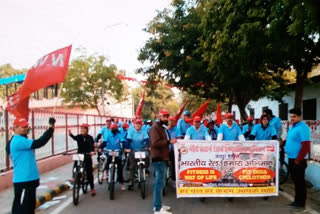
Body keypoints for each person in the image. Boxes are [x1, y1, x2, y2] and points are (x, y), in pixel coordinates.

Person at [6, 117, 55, 214]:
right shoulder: (18, 140)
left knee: (28, 209)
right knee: (22, 210)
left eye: (27, 126)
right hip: (24, 181)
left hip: (29, 180)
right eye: (23, 127)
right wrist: (50, 129)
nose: (26, 128)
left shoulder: (20, 139)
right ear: (15, 128)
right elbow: (39, 142)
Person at [149, 109, 176, 214]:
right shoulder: (155, 128)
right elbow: (155, 143)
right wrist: (169, 142)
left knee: (162, 182)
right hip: (158, 158)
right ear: (159, 117)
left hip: (162, 158)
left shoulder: (161, 128)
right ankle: (157, 208)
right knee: (159, 182)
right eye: (164, 116)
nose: (166, 118)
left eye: (167, 116)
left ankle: (159, 204)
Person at [285, 108, 310, 212]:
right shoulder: (292, 127)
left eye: (294, 116)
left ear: (300, 117)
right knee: (295, 181)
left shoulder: (303, 127)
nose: (292, 118)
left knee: (300, 182)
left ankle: (301, 205)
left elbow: (306, 145)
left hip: (298, 160)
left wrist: (298, 159)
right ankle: (296, 201)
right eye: (291, 116)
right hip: (291, 158)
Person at [69, 123, 96, 196]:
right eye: (81, 129)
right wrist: (70, 134)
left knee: (89, 172)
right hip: (79, 154)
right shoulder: (79, 136)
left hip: (87, 155)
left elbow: (92, 146)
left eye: (84, 129)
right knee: (75, 165)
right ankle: (74, 177)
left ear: (87, 130)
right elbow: (74, 138)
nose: (82, 130)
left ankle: (92, 188)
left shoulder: (90, 138)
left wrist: (92, 151)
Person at [98, 124, 126, 191]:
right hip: (109, 152)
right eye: (112, 129)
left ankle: (122, 183)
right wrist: (100, 148)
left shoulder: (119, 134)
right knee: (107, 164)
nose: (113, 130)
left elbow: (123, 141)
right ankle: (105, 174)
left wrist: (124, 148)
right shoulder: (108, 134)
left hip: (117, 152)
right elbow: (104, 142)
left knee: (119, 168)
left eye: (114, 129)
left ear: (116, 129)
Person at [124, 119, 150, 190]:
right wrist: (127, 148)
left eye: (139, 124)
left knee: (147, 157)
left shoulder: (144, 131)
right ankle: (131, 182)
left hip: (142, 149)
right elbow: (128, 141)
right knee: (132, 166)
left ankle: (145, 169)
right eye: (136, 124)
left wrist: (149, 146)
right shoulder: (131, 131)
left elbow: (147, 140)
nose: (138, 125)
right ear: (134, 125)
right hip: (133, 150)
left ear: (141, 125)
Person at [167, 116, 180, 183]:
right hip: (165, 148)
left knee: (174, 164)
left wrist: (176, 139)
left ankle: (174, 179)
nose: (172, 122)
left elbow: (179, 137)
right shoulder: (165, 128)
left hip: (173, 149)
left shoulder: (176, 129)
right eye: (170, 121)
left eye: (173, 121)